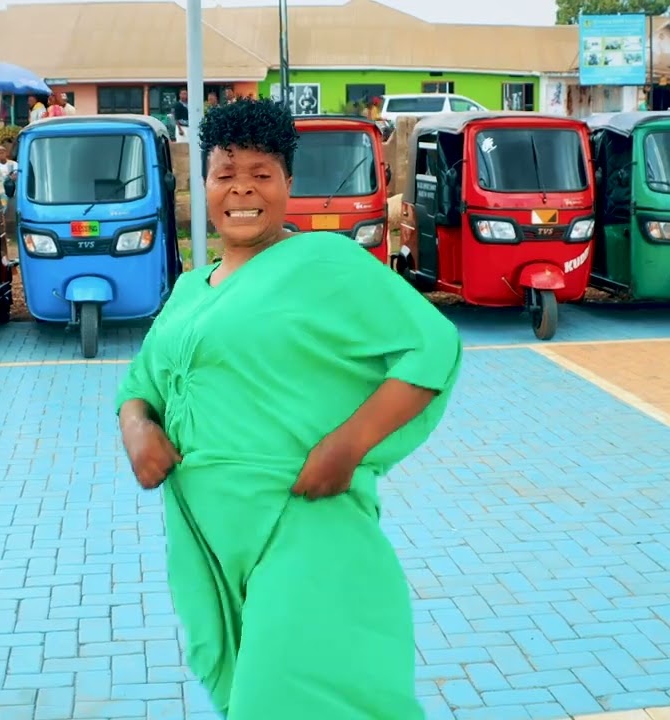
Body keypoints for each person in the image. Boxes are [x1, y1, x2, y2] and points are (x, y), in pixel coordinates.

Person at [114, 97, 461, 720]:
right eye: (225, 173)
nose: (242, 188)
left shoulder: (324, 261)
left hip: (301, 527)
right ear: (203, 186)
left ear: (288, 183)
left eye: (261, 173)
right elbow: (142, 382)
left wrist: (348, 445)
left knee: (290, 699)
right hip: (210, 542)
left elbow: (432, 347)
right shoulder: (190, 289)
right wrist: (137, 427)